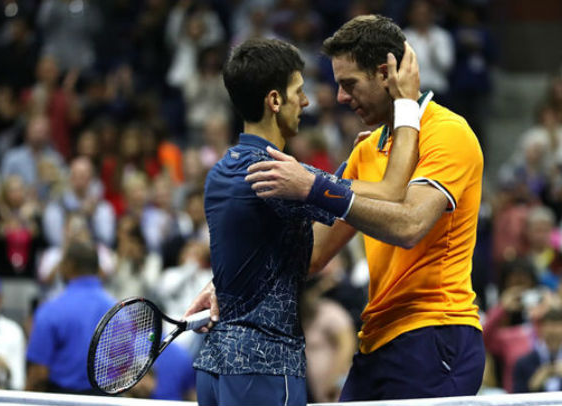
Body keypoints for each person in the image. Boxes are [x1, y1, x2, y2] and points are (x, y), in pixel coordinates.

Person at [245, 15, 485, 400]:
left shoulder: (448, 133)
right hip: (376, 343)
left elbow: (409, 225)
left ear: (385, 73)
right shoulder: (366, 148)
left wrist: (314, 185)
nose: (340, 97)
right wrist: (231, 284)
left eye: (350, 84)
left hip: (435, 335)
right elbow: (312, 254)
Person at [184, 36, 421, 406]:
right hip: (264, 368)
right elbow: (392, 191)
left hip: (215, 368)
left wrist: (351, 163)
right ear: (275, 101)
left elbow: (272, 243)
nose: (306, 102)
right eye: (299, 91)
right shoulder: (279, 177)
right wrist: (407, 107)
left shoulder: (221, 171)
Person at [25, 240, 115, 393]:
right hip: (107, 399)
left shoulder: (50, 310)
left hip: (61, 399)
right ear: (97, 268)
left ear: (70, 265)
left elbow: (38, 375)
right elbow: (126, 366)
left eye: (62, 262)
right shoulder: (119, 311)